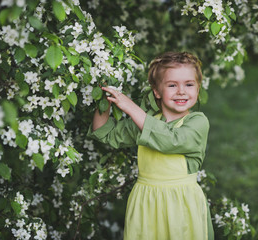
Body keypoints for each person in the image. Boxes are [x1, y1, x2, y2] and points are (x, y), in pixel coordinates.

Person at [88, 52, 214, 240]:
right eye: (172, 85)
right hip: (146, 202)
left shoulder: (197, 122)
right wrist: (105, 97)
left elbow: (172, 140)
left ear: (197, 88)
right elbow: (104, 133)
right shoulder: (146, 122)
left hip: (181, 205)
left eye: (189, 84)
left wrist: (130, 107)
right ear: (156, 91)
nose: (181, 91)